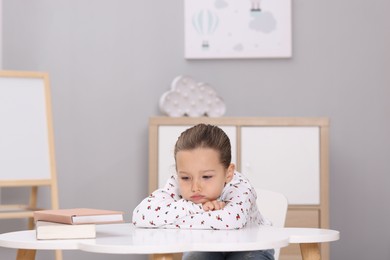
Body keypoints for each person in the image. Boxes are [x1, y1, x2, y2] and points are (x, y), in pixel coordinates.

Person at [132, 123, 274, 260]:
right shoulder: (176, 184)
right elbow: (141, 215)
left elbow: (230, 222)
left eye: (206, 177)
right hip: (205, 245)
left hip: (251, 247)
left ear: (228, 173)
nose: (195, 187)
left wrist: (167, 219)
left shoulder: (240, 187)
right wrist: (200, 208)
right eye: (186, 177)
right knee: (196, 256)